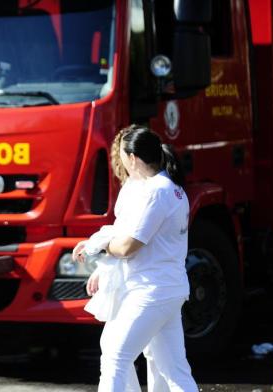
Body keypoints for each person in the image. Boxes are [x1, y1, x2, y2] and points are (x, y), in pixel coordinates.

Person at [72, 124, 199, 392]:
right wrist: (103, 258)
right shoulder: (170, 189)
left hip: (151, 291)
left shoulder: (156, 191)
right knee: (173, 369)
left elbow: (129, 245)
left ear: (132, 158)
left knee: (115, 356)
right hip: (165, 288)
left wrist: (102, 246)